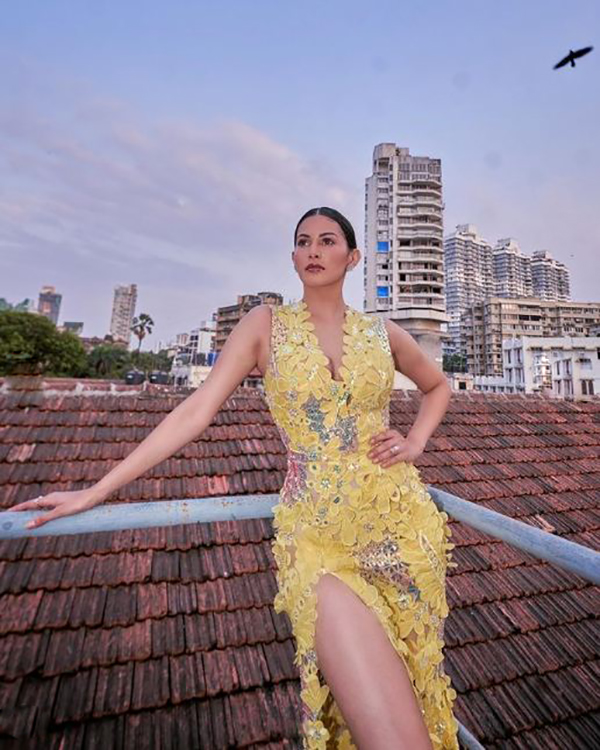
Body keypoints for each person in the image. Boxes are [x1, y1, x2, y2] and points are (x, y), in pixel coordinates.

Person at [9, 206, 459, 749]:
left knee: (418, 689)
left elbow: (438, 386)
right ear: (292, 256)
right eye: (303, 241)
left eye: (327, 240)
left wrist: (415, 442)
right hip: (318, 540)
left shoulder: (381, 333)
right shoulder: (266, 326)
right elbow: (195, 412)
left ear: (353, 257)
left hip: (400, 529)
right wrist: (97, 490)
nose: (313, 251)